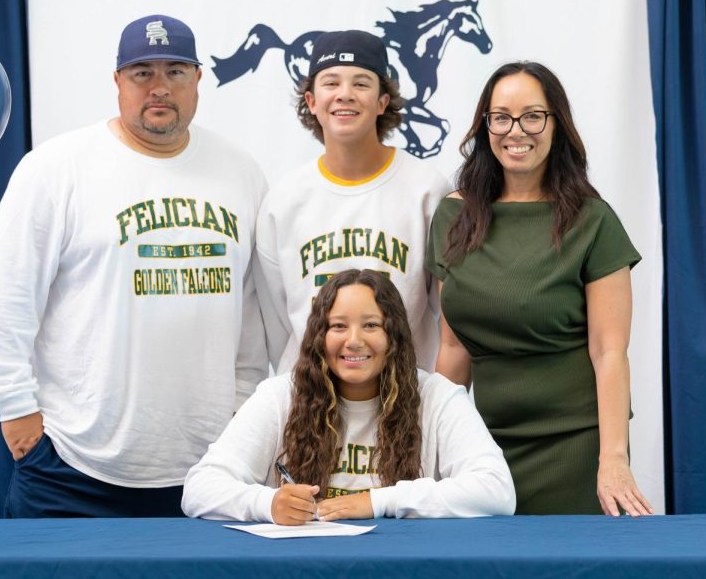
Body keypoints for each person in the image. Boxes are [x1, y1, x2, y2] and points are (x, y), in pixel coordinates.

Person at [0, 14, 268, 518]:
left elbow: (253, 314)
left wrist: (243, 414)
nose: (159, 88)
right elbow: (3, 299)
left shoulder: (241, 172)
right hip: (70, 468)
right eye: (141, 73)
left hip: (209, 470)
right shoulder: (56, 168)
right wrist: (18, 414)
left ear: (198, 79)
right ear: (117, 82)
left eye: (175, 71)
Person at [425, 61, 654, 516]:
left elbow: (609, 353)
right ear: (485, 125)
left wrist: (613, 460)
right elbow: (453, 348)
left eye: (533, 115)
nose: (517, 130)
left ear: (556, 124)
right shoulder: (453, 218)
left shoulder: (593, 221)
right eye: (502, 116)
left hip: (574, 448)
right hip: (482, 451)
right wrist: (431, 452)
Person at [182, 269, 515, 523]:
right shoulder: (280, 396)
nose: (353, 341)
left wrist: (378, 501)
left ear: (394, 335)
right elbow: (200, 487)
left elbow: (497, 489)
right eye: (338, 326)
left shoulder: (437, 398)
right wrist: (266, 504)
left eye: (371, 325)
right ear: (319, 336)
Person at [254, 30, 451, 375]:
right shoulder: (283, 201)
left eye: (361, 83)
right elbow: (280, 323)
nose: (345, 95)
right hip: (311, 403)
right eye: (331, 83)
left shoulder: (427, 190)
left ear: (382, 102)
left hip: (404, 400)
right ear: (312, 101)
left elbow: (448, 317)